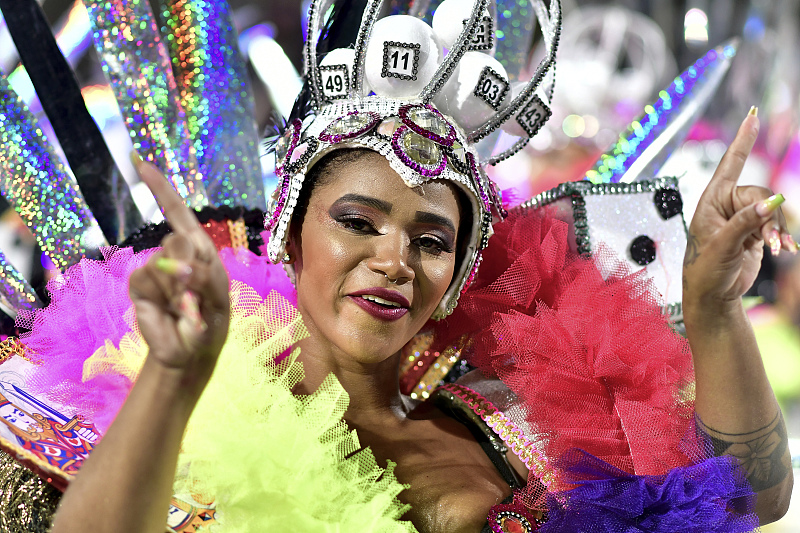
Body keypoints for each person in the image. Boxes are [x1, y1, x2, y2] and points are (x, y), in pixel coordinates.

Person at [0, 0, 794, 531]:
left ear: (459, 268)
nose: (394, 261)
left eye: (431, 239)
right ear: (288, 231)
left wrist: (717, 310)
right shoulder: (187, 398)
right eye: (358, 222)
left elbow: (745, 497)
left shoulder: (502, 418)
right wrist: (175, 379)